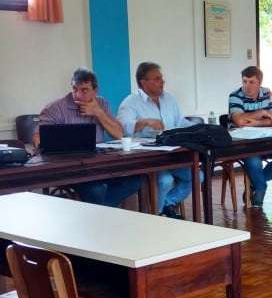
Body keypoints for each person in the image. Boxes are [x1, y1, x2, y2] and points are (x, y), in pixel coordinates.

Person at [36, 69, 142, 208]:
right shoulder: (55, 108)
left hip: (99, 165)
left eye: (84, 90)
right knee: (97, 189)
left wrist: (98, 113)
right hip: (71, 169)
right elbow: (37, 137)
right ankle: (104, 217)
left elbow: (119, 134)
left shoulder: (102, 103)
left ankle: (99, 214)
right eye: (75, 89)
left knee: (134, 181)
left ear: (95, 90)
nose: (78, 95)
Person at [116, 62, 195, 218]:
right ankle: (158, 215)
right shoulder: (130, 102)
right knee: (165, 180)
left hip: (172, 153)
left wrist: (200, 128)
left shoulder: (169, 99)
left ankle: (166, 204)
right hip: (149, 157)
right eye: (157, 78)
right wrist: (144, 122)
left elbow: (180, 122)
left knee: (197, 176)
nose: (162, 82)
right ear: (143, 82)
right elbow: (122, 127)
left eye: (161, 78)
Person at [227, 66, 272, 207]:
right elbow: (239, 121)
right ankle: (260, 189)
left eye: (252, 82)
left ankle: (254, 185)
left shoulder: (267, 93)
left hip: (264, 141)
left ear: (259, 83)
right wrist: (262, 112)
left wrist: (255, 122)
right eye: (244, 81)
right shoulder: (235, 96)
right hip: (243, 144)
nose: (247, 86)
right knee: (253, 160)